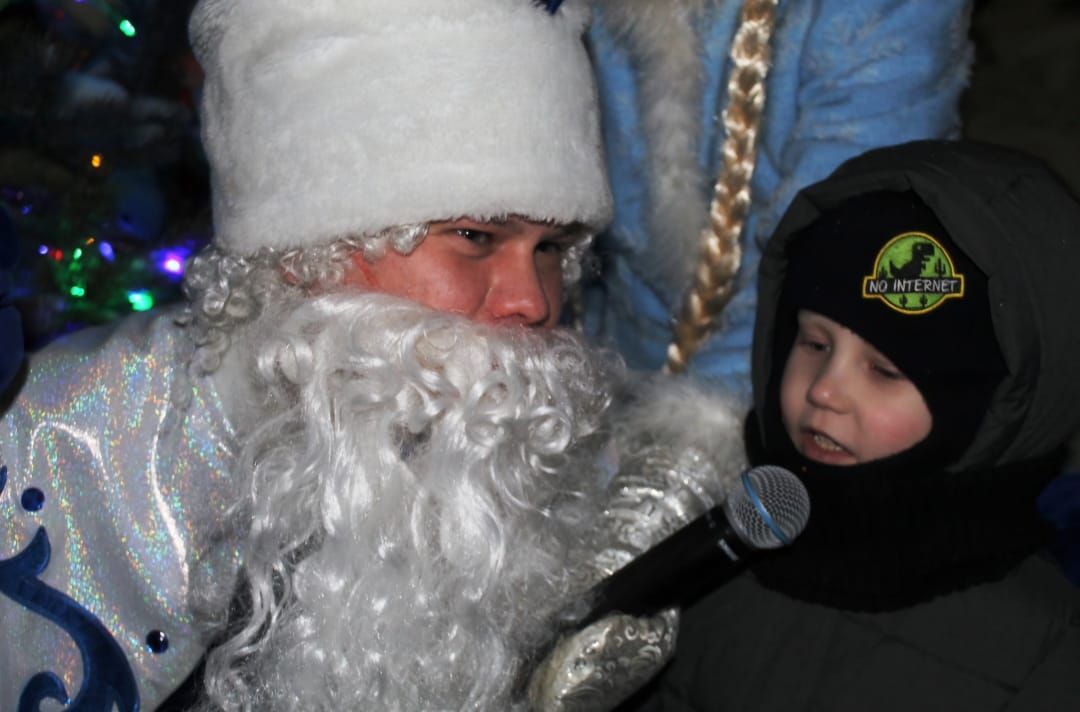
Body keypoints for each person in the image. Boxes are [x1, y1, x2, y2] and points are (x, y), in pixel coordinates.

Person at [0, 2, 712, 709]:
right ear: (305, 253)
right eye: (474, 237)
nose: (533, 300)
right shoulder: (53, 447)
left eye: (552, 249)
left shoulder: (512, 443)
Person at [625, 140, 1080, 710]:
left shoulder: (1042, 655)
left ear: (988, 408)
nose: (824, 390)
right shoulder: (704, 566)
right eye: (814, 342)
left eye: (886, 370)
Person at [583, 0, 972, 397]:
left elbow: (833, 243)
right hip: (608, 355)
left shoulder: (881, 14)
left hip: (792, 386)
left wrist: (703, 424)